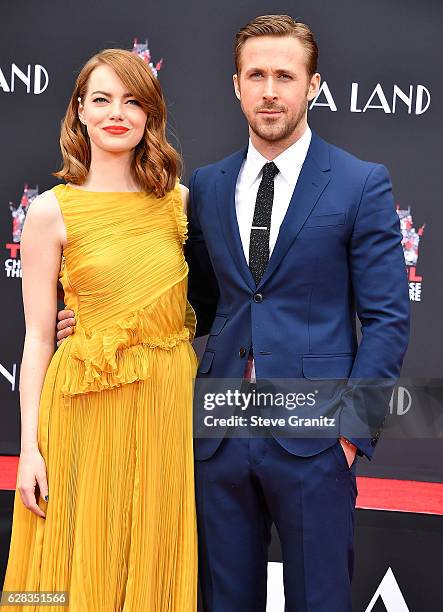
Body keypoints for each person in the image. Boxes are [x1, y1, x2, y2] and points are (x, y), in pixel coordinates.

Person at [57, 15, 410, 612]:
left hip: (314, 440)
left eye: (284, 75)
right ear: (236, 86)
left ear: (312, 85)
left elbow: (387, 319)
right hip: (217, 436)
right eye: (257, 75)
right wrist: (98, 320)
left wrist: (350, 435)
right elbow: (194, 302)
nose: (270, 90)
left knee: (319, 600)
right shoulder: (208, 185)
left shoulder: (359, 183)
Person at [3, 49, 198, 611]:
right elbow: (39, 338)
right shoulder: (50, 211)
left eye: (133, 101)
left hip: (165, 406)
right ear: (80, 113)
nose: (118, 113)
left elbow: (204, 303)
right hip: (81, 411)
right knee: (72, 558)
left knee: (153, 550)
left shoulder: (180, 204)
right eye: (103, 99)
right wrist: (29, 449)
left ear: (149, 116)